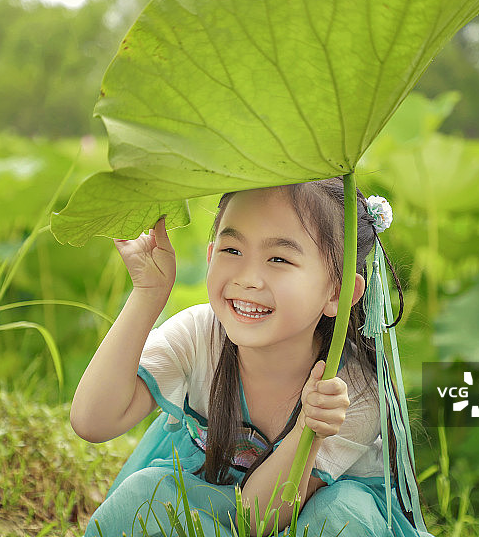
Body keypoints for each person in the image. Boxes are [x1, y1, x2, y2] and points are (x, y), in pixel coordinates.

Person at [70, 177, 430, 536]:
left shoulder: (352, 392)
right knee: (146, 496)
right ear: (211, 255)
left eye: (279, 258)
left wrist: (309, 428)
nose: (248, 279)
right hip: (208, 497)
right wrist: (148, 294)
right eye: (232, 250)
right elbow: (92, 421)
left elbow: (256, 520)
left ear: (338, 292)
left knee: (338, 518)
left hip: (293, 512)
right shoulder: (199, 335)